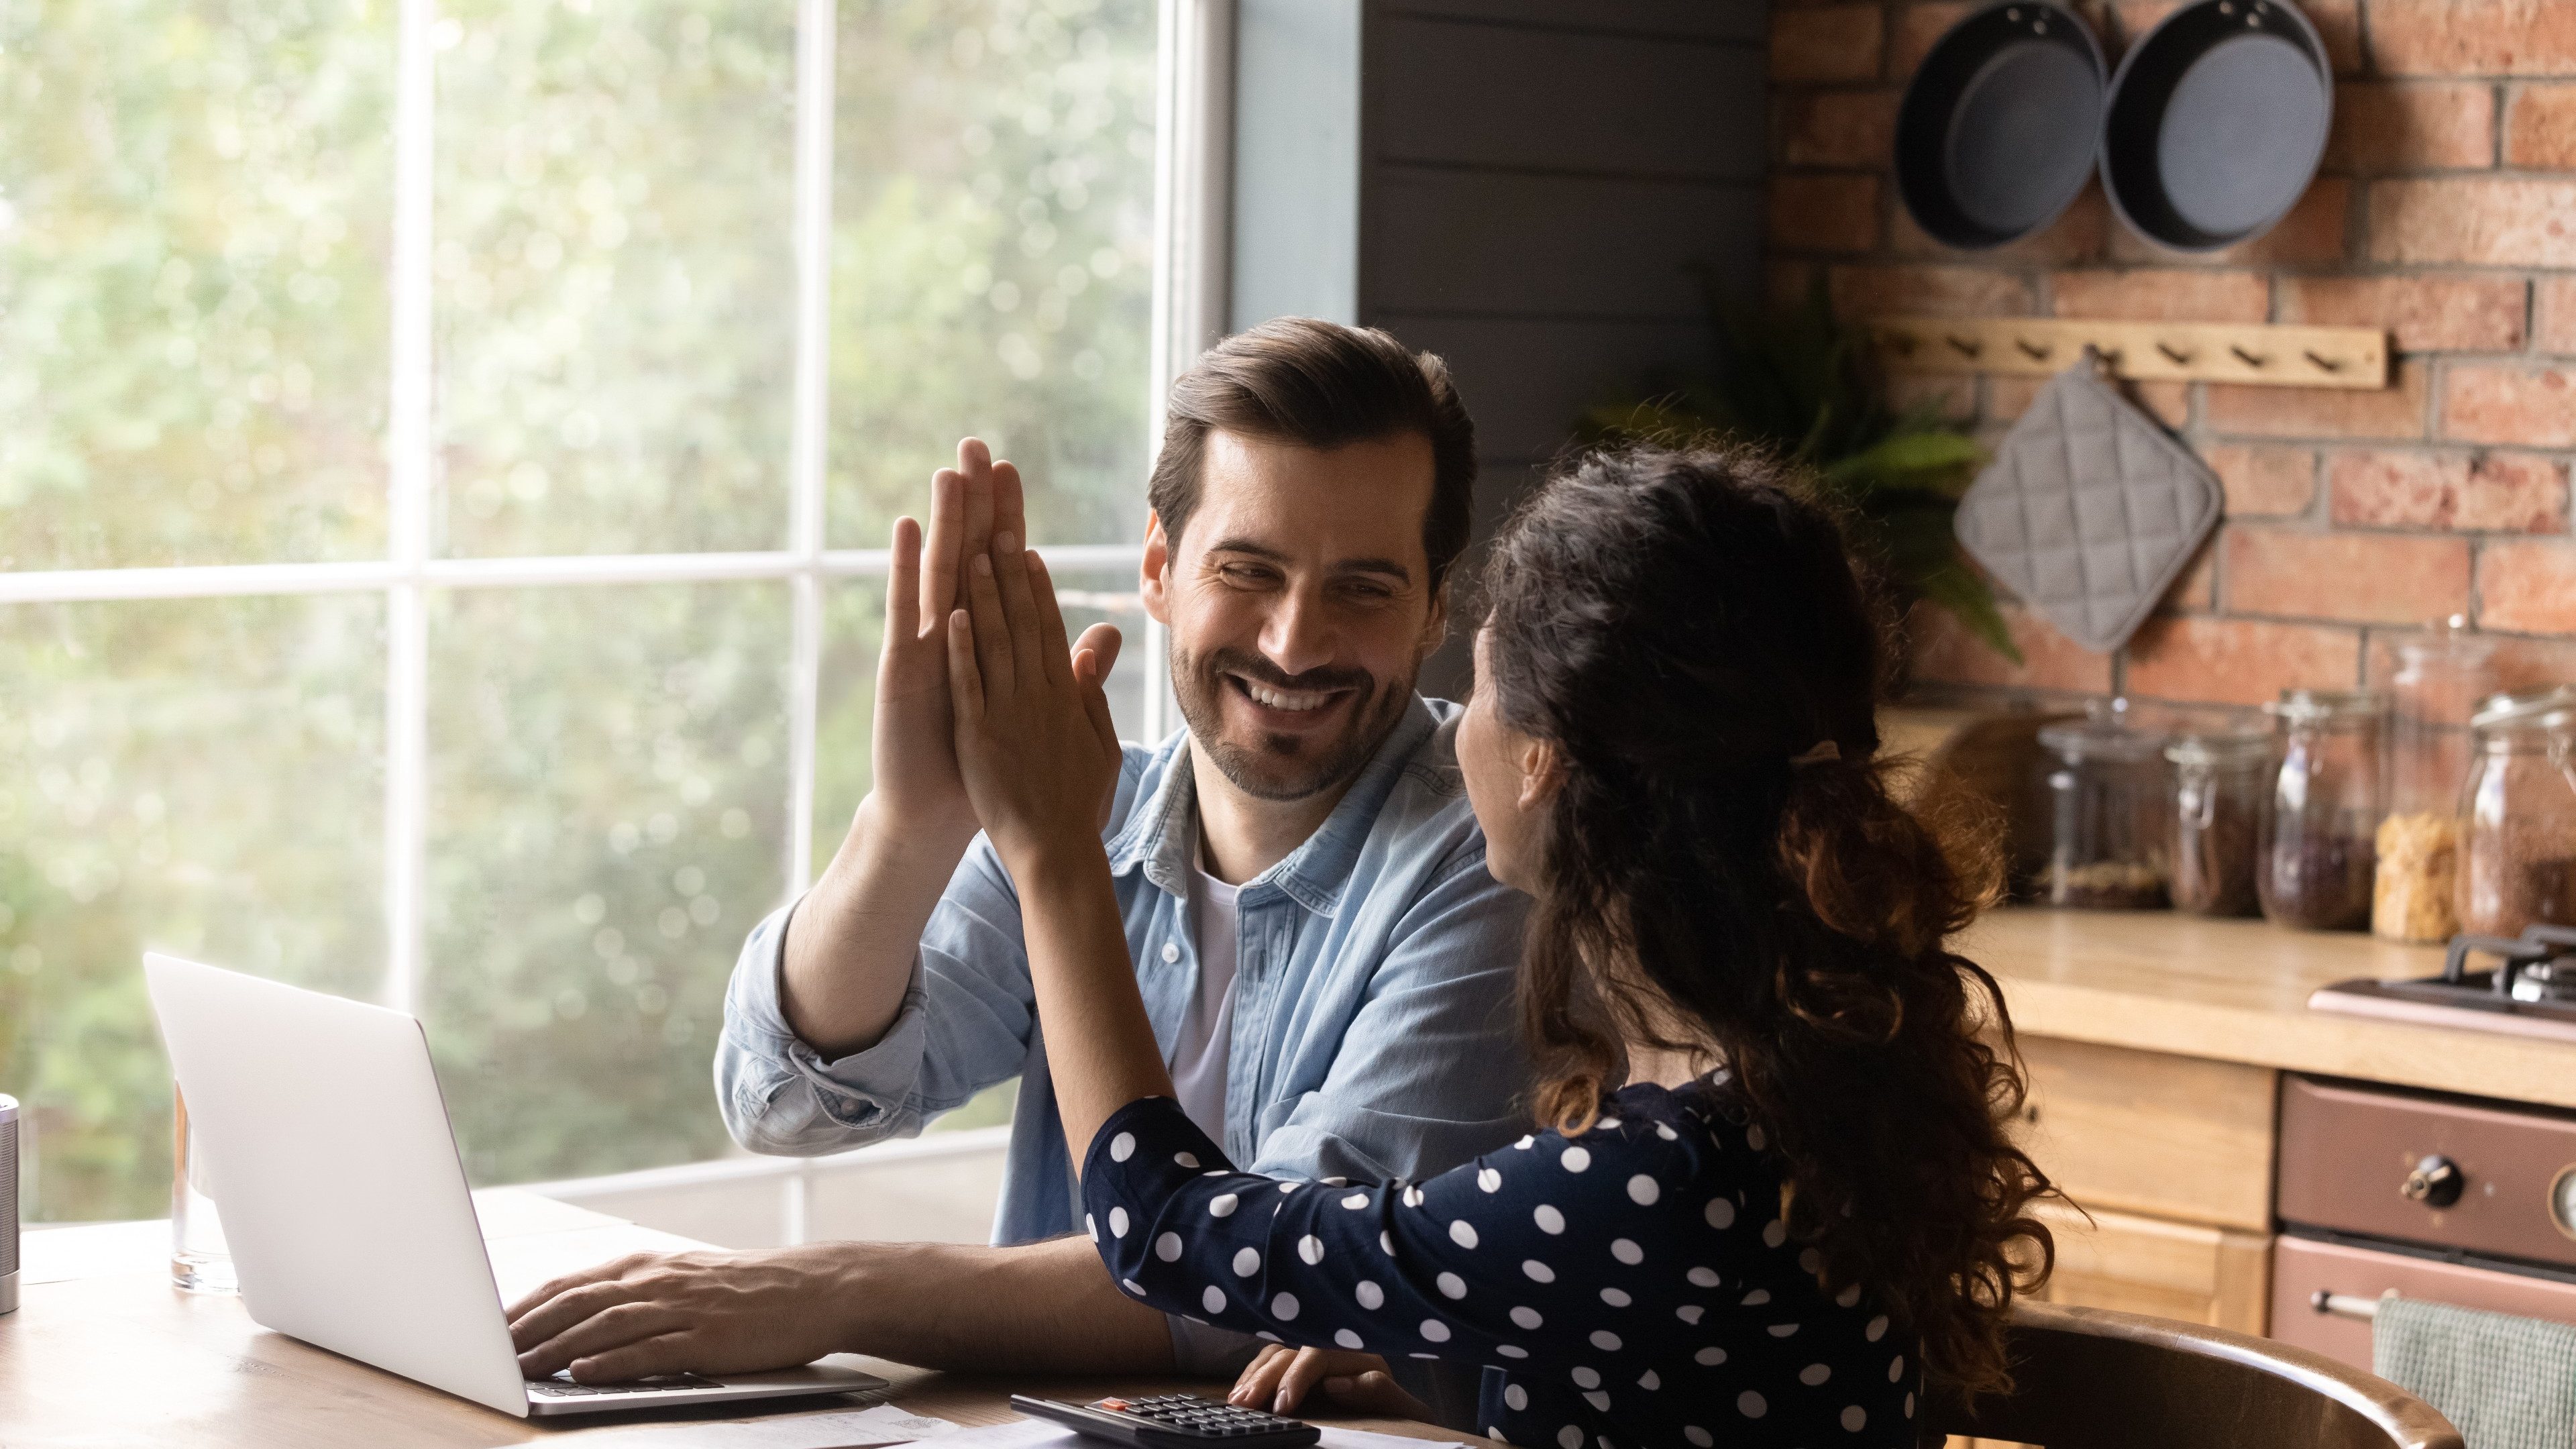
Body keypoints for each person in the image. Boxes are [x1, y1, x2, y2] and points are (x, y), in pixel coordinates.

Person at [936, 442, 2061, 1446]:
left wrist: (1056, 857)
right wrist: (1448, 1378)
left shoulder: (1668, 1176)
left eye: (1474, 685)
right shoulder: (1775, 1097)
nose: (1454, 722)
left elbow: (1167, 1236)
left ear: (1542, 760)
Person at [505, 319, 1533, 1385]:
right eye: (1248, 570)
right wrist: (912, 824)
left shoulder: (1493, 860)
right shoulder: (1090, 804)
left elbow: (1276, 1289)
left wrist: (833, 1292)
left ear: (1433, 609)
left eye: (1362, 588)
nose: (1292, 641)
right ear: (1159, 568)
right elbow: (786, 1100)